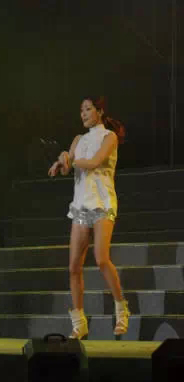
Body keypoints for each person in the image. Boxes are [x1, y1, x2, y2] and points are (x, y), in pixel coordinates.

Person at [48, 95, 130, 339]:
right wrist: (61, 161)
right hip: (81, 204)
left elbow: (94, 162)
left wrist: (70, 158)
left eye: (87, 109)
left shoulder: (109, 137)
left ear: (99, 111)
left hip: (102, 202)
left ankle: (121, 310)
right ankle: (79, 323)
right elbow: (68, 168)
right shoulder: (78, 139)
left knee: (102, 258)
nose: (83, 114)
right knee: (74, 266)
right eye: (81, 110)